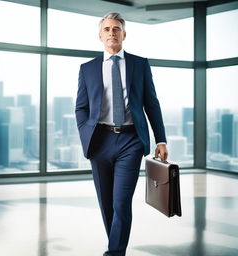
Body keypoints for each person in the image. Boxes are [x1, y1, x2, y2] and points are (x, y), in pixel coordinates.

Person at [75, 12, 168, 256]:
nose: (112, 33)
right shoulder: (88, 69)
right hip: (99, 142)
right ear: (100, 36)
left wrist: (160, 139)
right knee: (106, 204)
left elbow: (152, 103)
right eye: (107, 29)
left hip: (130, 141)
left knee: (121, 204)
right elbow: (81, 107)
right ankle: (115, 245)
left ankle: (114, 253)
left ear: (124, 34)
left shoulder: (140, 64)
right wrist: (85, 132)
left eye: (116, 29)